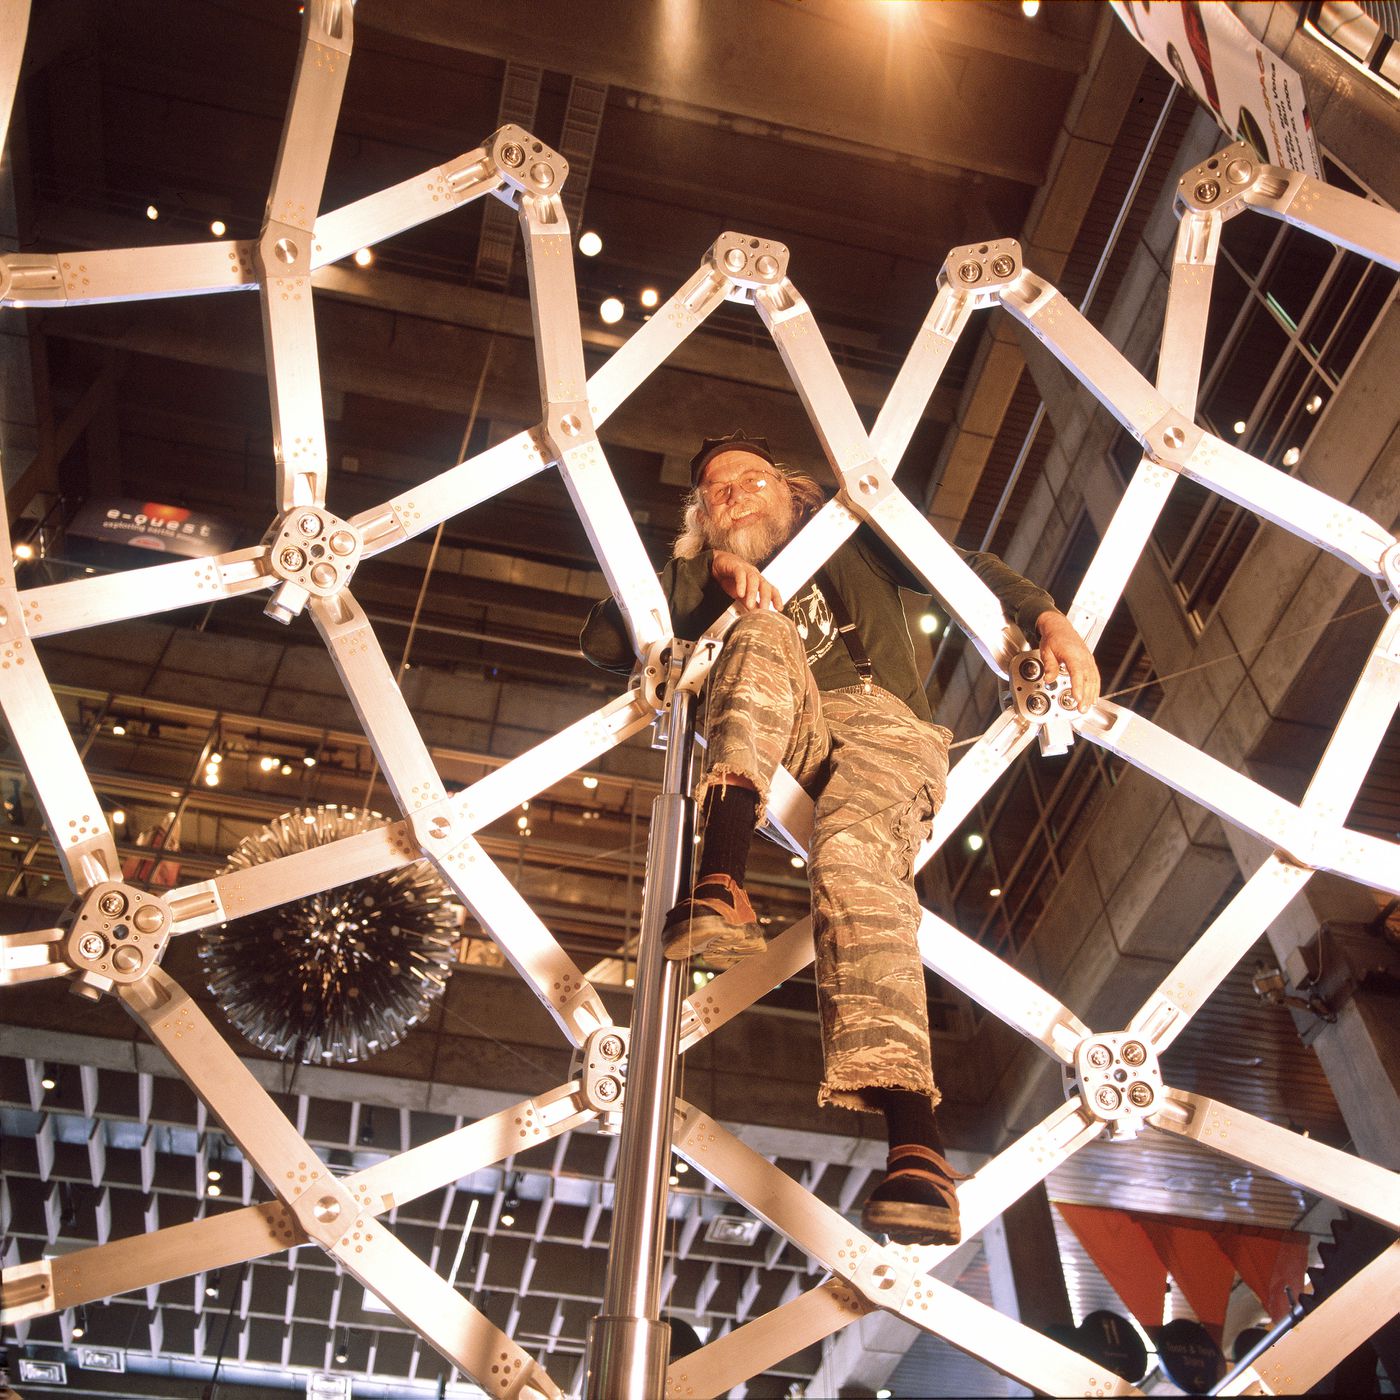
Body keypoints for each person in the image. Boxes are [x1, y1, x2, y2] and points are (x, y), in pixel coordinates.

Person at [580, 432, 1100, 1245]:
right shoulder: (700, 579)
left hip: (887, 732)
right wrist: (713, 578)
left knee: (854, 867)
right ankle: (721, 876)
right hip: (789, 736)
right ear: (702, 518)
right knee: (755, 631)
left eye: (752, 478)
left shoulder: (850, 541)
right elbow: (609, 642)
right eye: (717, 492)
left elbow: (967, 569)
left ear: (789, 488)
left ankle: (917, 1144)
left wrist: (1051, 622)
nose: (736, 495)